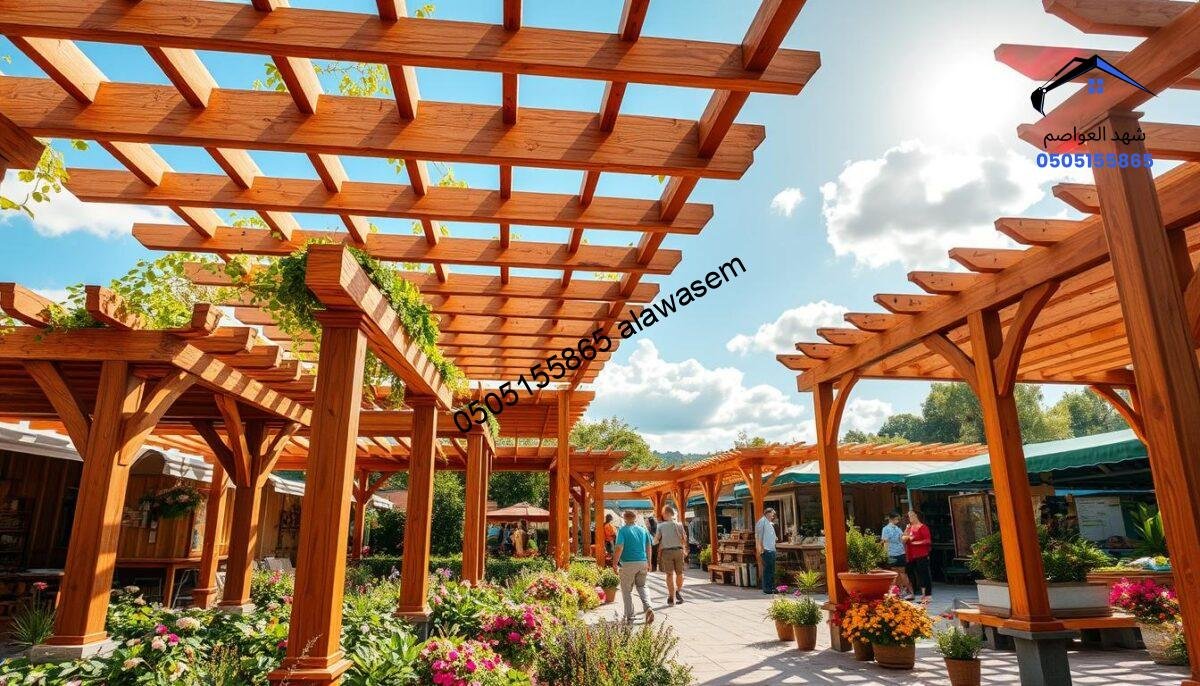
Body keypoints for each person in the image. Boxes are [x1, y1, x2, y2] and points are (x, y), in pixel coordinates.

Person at [612, 509, 654, 625]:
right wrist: (649, 562)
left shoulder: (622, 530)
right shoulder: (643, 530)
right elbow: (649, 547)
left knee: (626, 590)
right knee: (642, 586)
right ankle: (648, 606)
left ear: (624, 518)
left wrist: (615, 563)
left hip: (628, 563)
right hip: (643, 562)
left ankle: (630, 616)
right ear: (635, 518)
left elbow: (619, 547)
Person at [654, 505, 688, 605]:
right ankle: (678, 591)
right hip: (679, 551)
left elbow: (655, 540)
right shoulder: (679, 525)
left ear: (666, 513)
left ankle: (671, 597)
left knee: (669, 574)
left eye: (663, 513)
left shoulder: (660, 526)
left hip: (667, 552)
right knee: (680, 573)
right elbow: (684, 539)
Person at [902, 510, 933, 603]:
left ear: (916, 515)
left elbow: (928, 541)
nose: (909, 517)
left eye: (911, 515)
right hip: (911, 556)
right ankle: (912, 593)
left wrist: (915, 542)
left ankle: (926, 596)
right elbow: (903, 540)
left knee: (923, 575)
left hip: (921, 555)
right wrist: (906, 532)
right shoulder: (909, 527)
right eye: (908, 515)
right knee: (911, 574)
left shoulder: (923, 527)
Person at [881, 512, 913, 599]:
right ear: (892, 519)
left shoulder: (885, 529)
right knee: (902, 573)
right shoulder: (898, 529)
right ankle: (908, 591)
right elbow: (902, 540)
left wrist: (884, 553)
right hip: (901, 553)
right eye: (897, 519)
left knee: (894, 573)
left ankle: (895, 593)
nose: (898, 521)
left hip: (891, 553)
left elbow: (885, 542)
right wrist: (907, 531)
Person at [754, 507, 778, 594]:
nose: (773, 516)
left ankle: (771, 587)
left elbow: (771, 535)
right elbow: (759, 536)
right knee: (768, 570)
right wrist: (762, 549)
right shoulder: (762, 522)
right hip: (766, 549)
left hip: (771, 548)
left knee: (771, 570)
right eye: (772, 513)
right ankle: (767, 588)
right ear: (768, 513)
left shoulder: (769, 523)